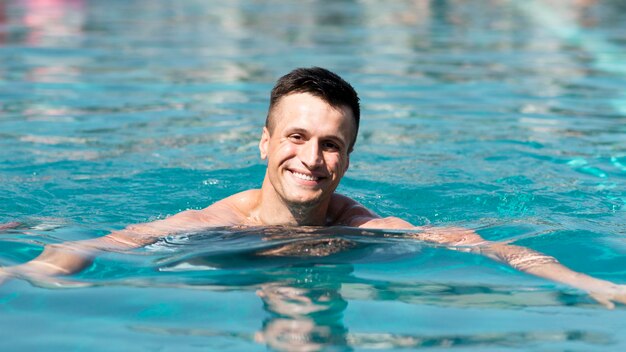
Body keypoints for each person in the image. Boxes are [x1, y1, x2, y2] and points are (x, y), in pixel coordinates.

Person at [1, 67, 625, 308]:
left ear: (348, 158)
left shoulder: (360, 227)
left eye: (331, 143)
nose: (311, 158)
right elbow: (110, 243)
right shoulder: (216, 220)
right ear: (265, 142)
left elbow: (487, 246)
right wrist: (29, 269)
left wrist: (590, 283)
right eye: (296, 137)